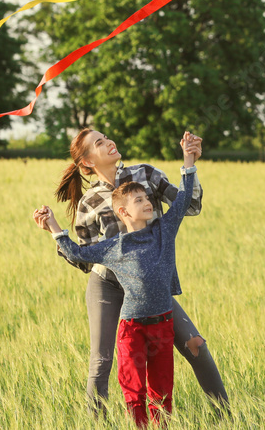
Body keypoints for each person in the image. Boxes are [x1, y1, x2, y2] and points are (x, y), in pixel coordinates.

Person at [34, 127, 228, 415]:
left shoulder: (146, 175)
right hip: (108, 285)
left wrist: (190, 162)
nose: (109, 142)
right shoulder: (89, 202)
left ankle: (227, 416)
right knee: (101, 361)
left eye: (106, 137)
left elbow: (192, 205)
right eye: (99, 143)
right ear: (87, 161)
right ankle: (94, 421)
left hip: (149, 287)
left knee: (195, 345)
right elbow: (84, 260)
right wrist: (54, 232)